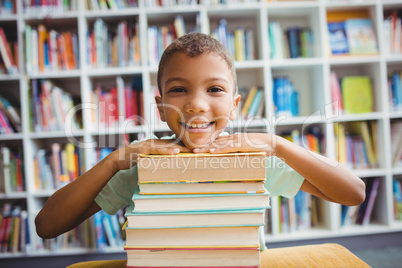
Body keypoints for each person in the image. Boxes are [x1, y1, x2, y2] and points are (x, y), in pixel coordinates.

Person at [35, 33, 365, 245]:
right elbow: (47, 226)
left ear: (235, 106)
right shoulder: (145, 164)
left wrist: (277, 145)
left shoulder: (251, 160)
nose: (196, 103)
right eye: (178, 90)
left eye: (215, 89)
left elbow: (354, 192)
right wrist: (115, 160)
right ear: (160, 108)